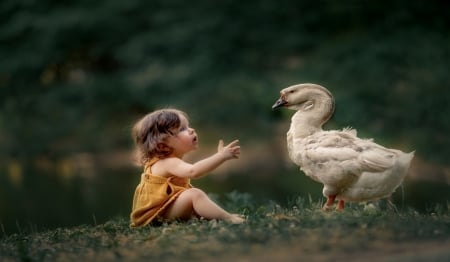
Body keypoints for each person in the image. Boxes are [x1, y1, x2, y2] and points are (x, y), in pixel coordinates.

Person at [130, 108, 245, 227]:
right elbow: (194, 171)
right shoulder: (167, 162)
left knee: (190, 197)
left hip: (162, 213)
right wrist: (221, 156)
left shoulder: (165, 162)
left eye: (188, 126)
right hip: (154, 218)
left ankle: (218, 216)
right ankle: (228, 218)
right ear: (162, 145)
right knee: (194, 194)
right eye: (182, 129)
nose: (191, 130)